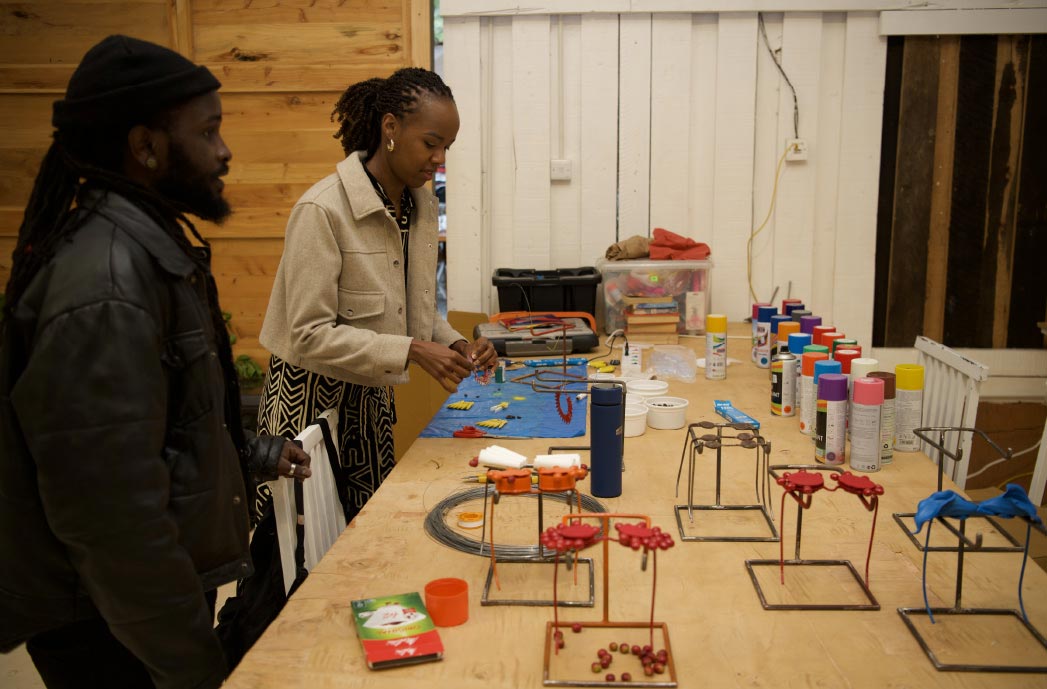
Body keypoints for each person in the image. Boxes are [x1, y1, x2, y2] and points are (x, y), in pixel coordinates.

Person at [0, 35, 311, 689]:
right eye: (208, 130)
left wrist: (251, 452)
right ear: (145, 147)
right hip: (111, 625)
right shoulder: (105, 281)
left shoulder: (145, 245)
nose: (224, 151)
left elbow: (153, 425)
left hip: (138, 609)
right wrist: (192, 664)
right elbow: (111, 518)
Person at [258, 67, 497, 523]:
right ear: (390, 129)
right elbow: (308, 335)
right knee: (303, 549)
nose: (439, 160)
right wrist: (411, 349)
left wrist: (457, 344)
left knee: (366, 533)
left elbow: (415, 311)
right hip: (310, 406)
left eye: (447, 147)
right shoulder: (322, 210)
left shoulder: (419, 206)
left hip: (370, 404)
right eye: (431, 143)